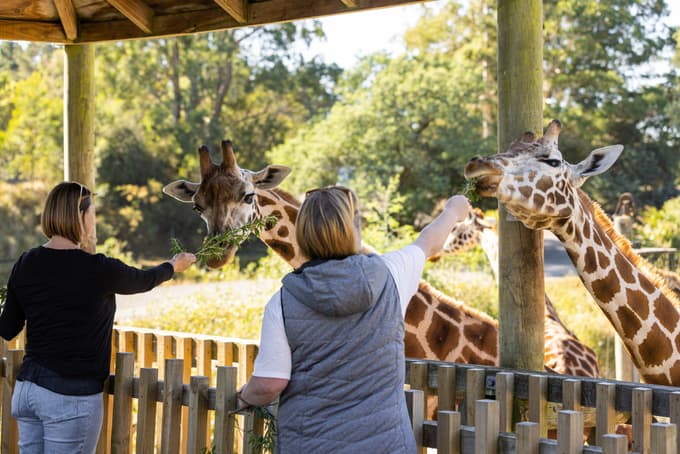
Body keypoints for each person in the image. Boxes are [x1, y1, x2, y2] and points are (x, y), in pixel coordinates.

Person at [237, 185, 470, 453]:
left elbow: (269, 385)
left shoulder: (281, 302)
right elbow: (428, 242)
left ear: (302, 233)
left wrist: (245, 396)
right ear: (352, 230)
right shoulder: (390, 275)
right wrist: (453, 211)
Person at [0, 181, 196, 453]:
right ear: (80, 216)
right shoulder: (98, 268)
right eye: (92, 211)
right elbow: (143, 279)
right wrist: (174, 266)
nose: (94, 219)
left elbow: (7, 328)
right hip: (69, 399)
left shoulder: (26, 262)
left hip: (27, 392)